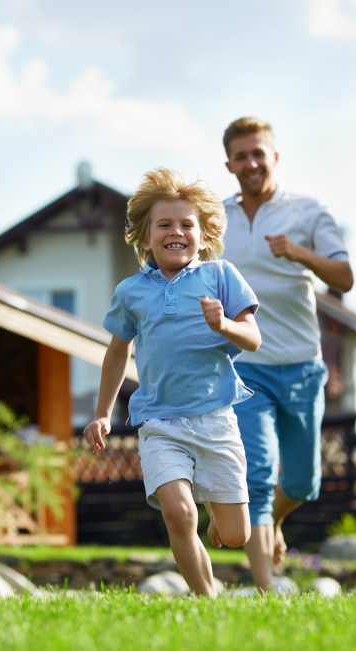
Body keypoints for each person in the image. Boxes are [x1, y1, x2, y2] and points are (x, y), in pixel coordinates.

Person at [83, 167, 261, 597]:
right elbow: (117, 352)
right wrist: (103, 414)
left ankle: (221, 516)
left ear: (203, 235)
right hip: (160, 422)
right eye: (164, 224)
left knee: (237, 536)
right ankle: (208, 599)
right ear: (145, 237)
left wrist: (224, 327)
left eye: (187, 225)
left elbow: (253, 338)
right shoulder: (131, 291)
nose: (175, 232)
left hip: (215, 418)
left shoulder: (221, 275)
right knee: (179, 514)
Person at [220, 117, 354, 591]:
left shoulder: (307, 211)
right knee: (257, 474)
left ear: (274, 157)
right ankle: (264, 589)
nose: (251, 163)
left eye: (259, 153)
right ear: (229, 163)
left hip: (300, 366)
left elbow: (344, 278)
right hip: (244, 365)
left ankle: (273, 522)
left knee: (302, 483)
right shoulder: (217, 219)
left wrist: (300, 254)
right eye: (241, 155)